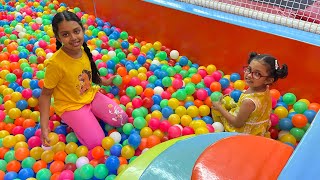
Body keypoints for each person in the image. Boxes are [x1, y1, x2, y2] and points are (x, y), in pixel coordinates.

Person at [39, 10, 128, 149]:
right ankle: (78, 121)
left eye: (76, 31)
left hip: (90, 95)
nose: (73, 37)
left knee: (122, 119)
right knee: (98, 143)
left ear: (82, 29)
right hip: (70, 105)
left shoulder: (83, 50)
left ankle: (90, 116)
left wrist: (105, 82)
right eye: (65, 34)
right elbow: (45, 95)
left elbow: (88, 73)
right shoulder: (55, 64)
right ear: (58, 37)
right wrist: (44, 126)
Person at [211, 52, 288, 137]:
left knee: (216, 107)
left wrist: (220, 108)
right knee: (226, 100)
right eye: (249, 69)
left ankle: (218, 132)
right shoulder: (264, 88)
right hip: (258, 128)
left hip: (242, 134)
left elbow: (237, 124)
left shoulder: (249, 102)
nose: (249, 75)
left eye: (257, 74)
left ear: (268, 80)